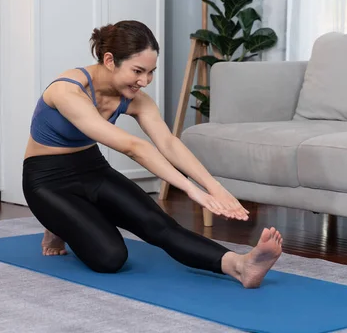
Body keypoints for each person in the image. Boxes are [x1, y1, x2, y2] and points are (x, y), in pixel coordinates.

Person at [22, 20, 282, 288]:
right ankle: (57, 224)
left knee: (159, 225)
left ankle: (240, 265)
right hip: (46, 181)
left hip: (92, 169)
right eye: (137, 71)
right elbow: (134, 147)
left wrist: (213, 187)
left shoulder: (135, 99)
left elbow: (167, 143)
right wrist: (190, 190)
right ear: (110, 60)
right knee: (110, 258)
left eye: (150, 72)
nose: (144, 81)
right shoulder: (67, 91)